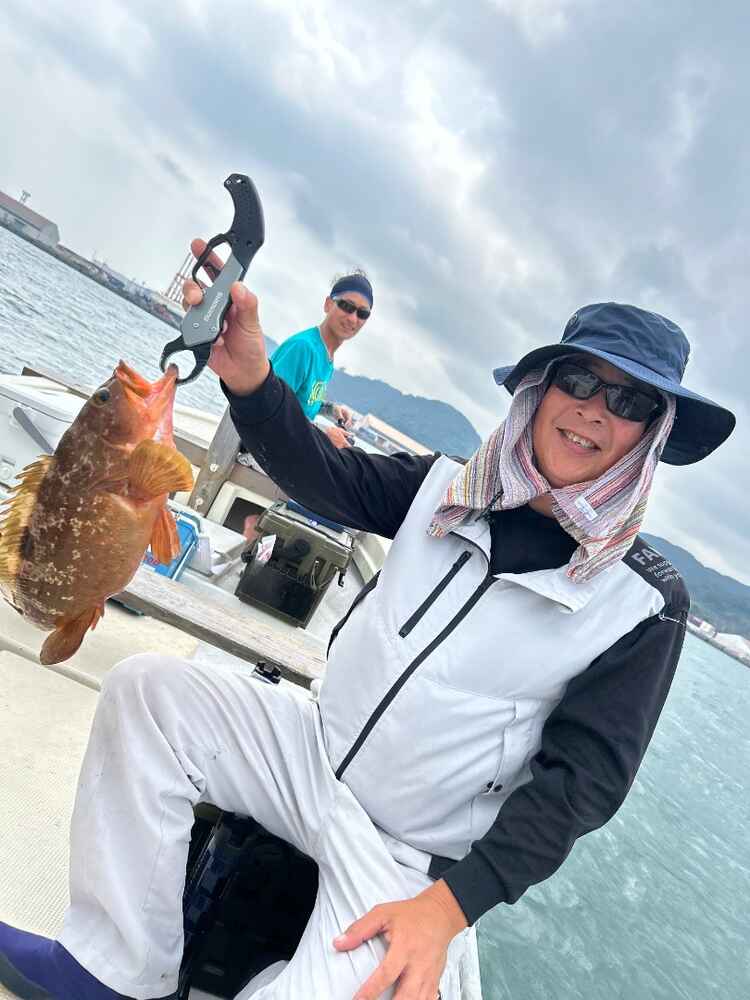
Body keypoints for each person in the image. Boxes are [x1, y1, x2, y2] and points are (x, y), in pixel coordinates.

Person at [0, 275, 735, 1000]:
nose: (594, 410)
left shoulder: (644, 602)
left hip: (410, 858)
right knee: (148, 692)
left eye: (630, 401)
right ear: (541, 390)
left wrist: (449, 909)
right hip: (309, 754)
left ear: (652, 433)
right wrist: (250, 381)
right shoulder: (445, 487)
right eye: (578, 380)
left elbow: (581, 785)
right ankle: (114, 968)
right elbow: (323, 474)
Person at [267, 269, 373, 450]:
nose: (353, 318)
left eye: (362, 313)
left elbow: (300, 401)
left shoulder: (327, 357)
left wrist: (329, 409)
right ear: (328, 304)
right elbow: (269, 407)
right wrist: (324, 433)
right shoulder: (303, 348)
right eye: (347, 306)